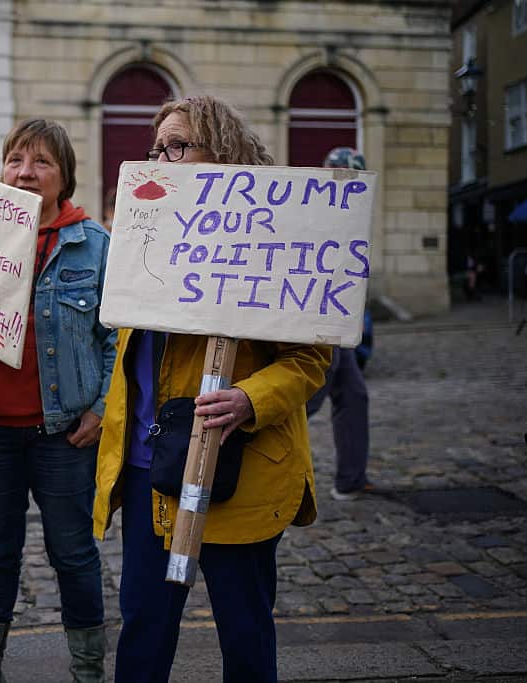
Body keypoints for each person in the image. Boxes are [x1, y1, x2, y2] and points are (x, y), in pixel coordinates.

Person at [92, 95, 332, 683]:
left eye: (177, 145)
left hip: (238, 467)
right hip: (151, 468)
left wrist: (251, 397)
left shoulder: (271, 238)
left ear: (220, 153)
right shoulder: (141, 234)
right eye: (156, 149)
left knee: (245, 631)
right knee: (144, 628)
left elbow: (309, 358)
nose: (161, 158)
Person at [0, 119, 116, 682]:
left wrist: (102, 408)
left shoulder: (94, 246)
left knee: (73, 553)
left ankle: (88, 670)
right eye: (16, 159)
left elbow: (119, 339)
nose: (26, 172)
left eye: (42, 162)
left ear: (63, 177)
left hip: (64, 433)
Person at [305, 146, 374, 502]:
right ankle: (251, 455)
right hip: (317, 322)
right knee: (304, 401)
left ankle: (350, 478)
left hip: (338, 323)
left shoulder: (351, 214)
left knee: (353, 394)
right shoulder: (313, 211)